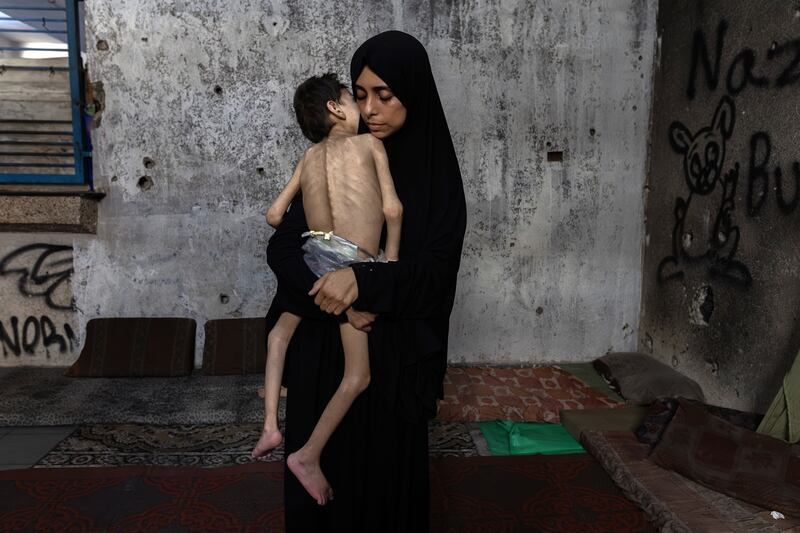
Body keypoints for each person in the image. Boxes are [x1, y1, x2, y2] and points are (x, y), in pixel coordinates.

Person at [265, 30, 466, 532]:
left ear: (413, 94)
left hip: (392, 361)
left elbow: (437, 275)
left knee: (381, 497)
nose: (371, 109)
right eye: (360, 95)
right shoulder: (332, 158)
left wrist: (366, 285)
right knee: (320, 508)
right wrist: (338, 293)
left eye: (385, 95)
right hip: (322, 351)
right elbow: (286, 247)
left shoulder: (435, 179)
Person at [251, 72, 403, 507]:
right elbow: (393, 209)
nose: (364, 109)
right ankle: (308, 455)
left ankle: (269, 426)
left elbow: (275, 215)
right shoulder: (371, 146)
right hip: (353, 264)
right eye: (352, 100)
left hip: (314, 257)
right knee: (358, 376)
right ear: (337, 109)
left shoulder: (308, 156)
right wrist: (386, 271)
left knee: (279, 334)